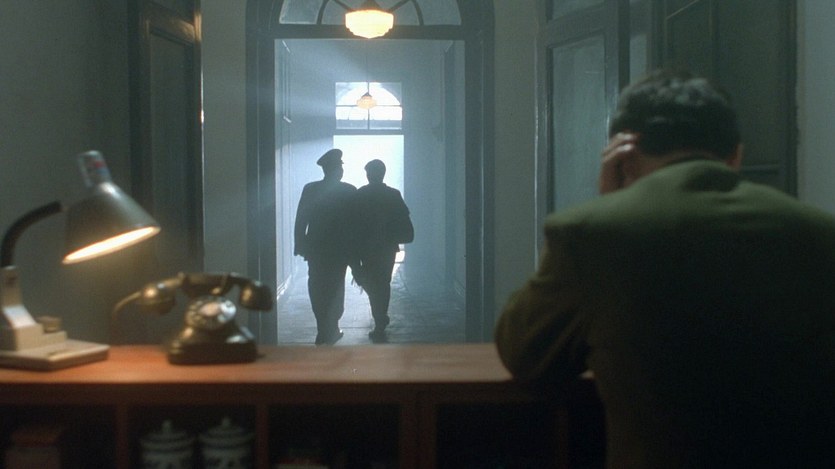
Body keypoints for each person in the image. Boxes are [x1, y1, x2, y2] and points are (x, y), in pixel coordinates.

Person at [494, 70, 835, 468]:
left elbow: (526, 354)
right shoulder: (821, 234)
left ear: (624, 155)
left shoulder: (592, 234)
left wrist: (608, 206)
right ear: (736, 156)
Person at [294, 149, 358, 345]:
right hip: (340, 249)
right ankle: (331, 326)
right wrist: (357, 250)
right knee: (336, 286)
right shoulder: (349, 191)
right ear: (336, 170)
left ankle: (323, 327)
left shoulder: (310, 189)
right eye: (340, 167)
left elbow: (301, 219)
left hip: (316, 248)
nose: (341, 170)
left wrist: (300, 244)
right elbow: (357, 223)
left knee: (317, 286)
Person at [351, 159, 414, 343]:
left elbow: (353, 223)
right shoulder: (393, 194)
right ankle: (380, 317)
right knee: (383, 282)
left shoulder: (361, 194)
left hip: (366, 248)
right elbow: (404, 218)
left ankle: (379, 317)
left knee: (370, 281)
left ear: (369, 174)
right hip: (386, 247)